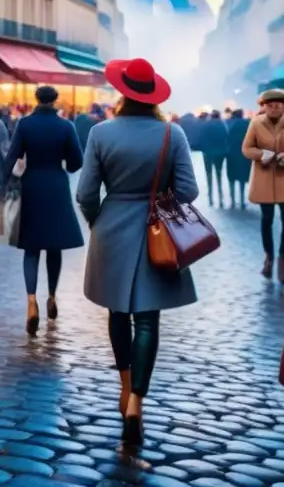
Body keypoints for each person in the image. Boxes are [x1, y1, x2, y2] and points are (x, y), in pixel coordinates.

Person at [76, 58, 198, 446]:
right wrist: (161, 202)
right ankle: (138, 404)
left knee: (117, 311)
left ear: (123, 92)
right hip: (154, 227)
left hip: (113, 226)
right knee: (148, 320)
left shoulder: (100, 132)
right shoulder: (171, 134)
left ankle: (124, 387)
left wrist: (98, 220)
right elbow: (189, 190)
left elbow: (85, 192)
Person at [0, 85, 84, 335]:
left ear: (36, 99)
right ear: (56, 100)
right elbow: (76, 162)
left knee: (31, 248)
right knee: (54, 247)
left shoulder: (24, 125)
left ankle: (31, 300)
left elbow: (12, 156)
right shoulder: (66, 126)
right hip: (56, 185)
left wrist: (6, 185)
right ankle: (52, 297)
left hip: (31, 184)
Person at [242, 89, 284, 284]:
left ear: (283, 107)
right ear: (264, 107)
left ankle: (282, 260)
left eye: (277, 106)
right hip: (263, 177)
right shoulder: (255, 123)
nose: (274, 109)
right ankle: (269, 257)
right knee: (267, 219)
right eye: (270, 106)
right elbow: (246, 148)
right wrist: (262, 154)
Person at [199, 109, 228, 208]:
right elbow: (225, 138)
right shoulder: (222, 125)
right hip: (219, 153)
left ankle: (210, 199)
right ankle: (220, 199)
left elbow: (201, 138)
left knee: (209, 175)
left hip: (207, 153)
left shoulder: (206, 125)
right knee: (219, 175)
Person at [224, 109, 251, 209]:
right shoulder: (246, 123)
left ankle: (232, 201)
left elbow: (225, 138)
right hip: (243, 154)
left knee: (231, 178)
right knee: (242, 179)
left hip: (231, 154)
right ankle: (242, 200)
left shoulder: (229, 123)